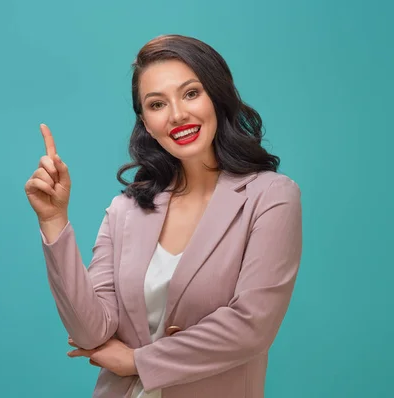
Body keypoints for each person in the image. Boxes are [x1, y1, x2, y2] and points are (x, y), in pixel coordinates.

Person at [24, 34, 302, 398]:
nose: (177, 115)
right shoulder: (125, 209)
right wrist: (54, 220)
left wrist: (138, 361)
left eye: (190, 93)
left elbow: (252, 324)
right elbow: (92, 331)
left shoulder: (270, 196)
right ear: (146, 122)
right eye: (157, 104)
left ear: (217, 96)